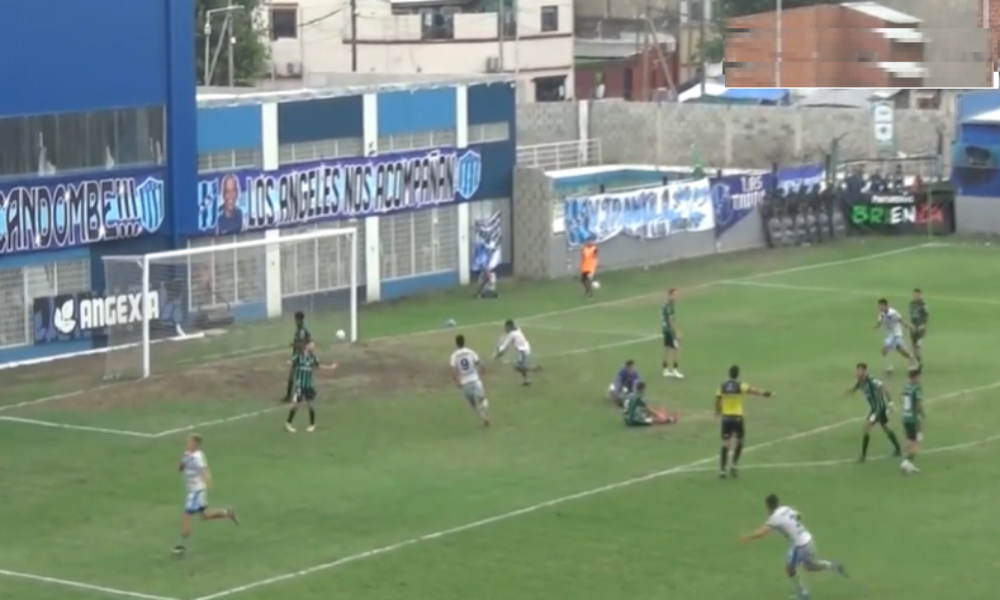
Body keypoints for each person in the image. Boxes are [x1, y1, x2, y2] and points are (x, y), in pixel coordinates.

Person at [740, 494, 848, 599]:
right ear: (778, 503)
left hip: (799, 546)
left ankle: (803, 593)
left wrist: (749, 537)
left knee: (789, 569)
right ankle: (832, 565)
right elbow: (798, 515)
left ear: (769, 506)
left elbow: (763, 532)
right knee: (810, 566)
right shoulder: (786, 509)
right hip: (808, 539)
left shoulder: (774, 517)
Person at [174, 434, 238, 555]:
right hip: (192, 490)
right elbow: (181, 467)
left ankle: (181, 545)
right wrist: (182, 464)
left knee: (186, 515)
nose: (187, 444)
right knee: (204, 516)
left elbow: (205, 469)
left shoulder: (198, 456)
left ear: (195, 444)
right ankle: (227, 512)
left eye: (190, 442)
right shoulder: (187, 454)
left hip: (196, 491)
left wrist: (208, 479)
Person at [715, 364, 774, 478]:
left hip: (726, 418)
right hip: (737, 418)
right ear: (737, 375)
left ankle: (722, 469)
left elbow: (717, 400)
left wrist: (718, 412)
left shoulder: (722, 386)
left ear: (729, 373)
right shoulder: (740, 385)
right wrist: (767, 394)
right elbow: (753, 391)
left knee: (725, 443)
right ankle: (734, 464)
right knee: (740, 441)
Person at [843, 362, 902, 462]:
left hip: (879, 408)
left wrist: (890, 403)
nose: (858, 372)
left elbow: (883, 388)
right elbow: (855, 388)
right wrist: (847, 393)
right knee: (885, 427)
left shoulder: (871, 380)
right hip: (875, 408)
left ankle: (863, 456)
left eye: (860, 370)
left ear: (865, 371)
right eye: (857, 370)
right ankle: (898, 449)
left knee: (867, 426)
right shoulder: (860, 381)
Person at [285, 342, 336, 433]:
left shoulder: (313, 358)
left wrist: (330, 367)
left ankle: (312, 425)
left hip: (309, 385)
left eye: (314, 346)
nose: (313, 347)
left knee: (310, 405)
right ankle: (288, 423)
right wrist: (291, 364)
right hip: (300, 385)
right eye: (312, 345)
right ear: (307, 346)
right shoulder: (299, 357)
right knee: (296, 404)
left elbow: (318, 366)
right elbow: (291, 362)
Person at [450, 334, 490, 427]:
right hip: (475, 380)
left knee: (472, 403)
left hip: (465, 383)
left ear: (456, 344)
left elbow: (453, 370)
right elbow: (478, 363)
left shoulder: (454, 355)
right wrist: (483, 370)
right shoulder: (470, 352)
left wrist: (457, 382)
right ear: (464, 342)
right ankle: (483, 410)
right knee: (482, 399)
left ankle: (483, 417)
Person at [874, 298, 917, 373]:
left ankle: (910, 361)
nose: (879, 308)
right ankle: (891, 365)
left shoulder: (893, 313)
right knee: (888, 350)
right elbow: (879, 322)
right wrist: (874, 327)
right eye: (879, 306)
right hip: (890, 334)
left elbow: (901, 321)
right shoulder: (881, 314)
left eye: (881, 306)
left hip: (897, 334)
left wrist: (909, 326)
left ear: (885, 306)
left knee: (892, 350)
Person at [495, 319, 538, 386]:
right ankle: (526, 379)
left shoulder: (512, 334)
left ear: (509, 326)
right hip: (525, 349)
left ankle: (531, 369)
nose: (505, 328)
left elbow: (505, 346)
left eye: (506, 327)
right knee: (519, 366)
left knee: (518, 367)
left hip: (523, 351)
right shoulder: (517, 330)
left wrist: (498, 354)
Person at [282, 311, 311, 403]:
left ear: (300, 320)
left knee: (296, 376)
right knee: (295, 376)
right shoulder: (300, 329)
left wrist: (294, 345)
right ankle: (292, 395)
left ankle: (292, 396)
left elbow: (302, 344)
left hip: (300, 356)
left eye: (296, 319)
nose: (295, 321)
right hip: (297, 355)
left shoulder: (302, 330)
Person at [899, 366, 924, 474]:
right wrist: (922, 414)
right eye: (918, 376)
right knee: (915, 441)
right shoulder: (916, 388)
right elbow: (918, 404)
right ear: (915, 377)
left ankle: (908, 463)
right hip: (913, 418)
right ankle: (906, 461)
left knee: (910, 439)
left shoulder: (906, 387)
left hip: (905, 416)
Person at [661, 288, 682, 378]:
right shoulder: (669, 306)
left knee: (667, 349)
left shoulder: (665, 305)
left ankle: (665, 370)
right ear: (669, 295)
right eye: (674, 295)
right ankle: (675, 370)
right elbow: (671, 319)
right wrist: (676, 331)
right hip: (669, 331)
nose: (675, 297)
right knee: (677, 349)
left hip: (665, 330)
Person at [908, 288, 929, 363]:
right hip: (913, 326)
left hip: (920, 327)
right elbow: (911, 315)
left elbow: (926, 315)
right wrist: (911, 324)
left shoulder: (923, 304)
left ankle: (916, 359)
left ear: (920, 295)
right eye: (914, 295)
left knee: (917, 344)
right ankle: (915, 360)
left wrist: (923, 325)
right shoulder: (911, 304)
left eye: (917, 295)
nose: (915, 296)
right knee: (913, 344)